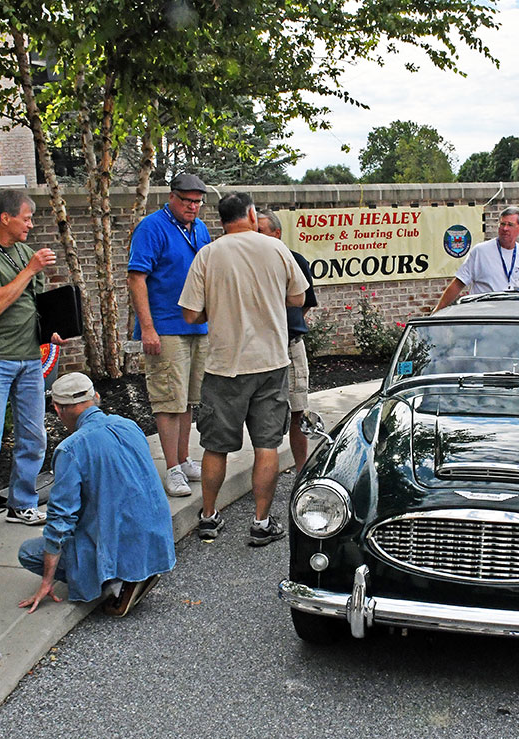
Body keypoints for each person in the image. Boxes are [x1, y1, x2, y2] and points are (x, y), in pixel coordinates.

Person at [179, 192, 308, 546]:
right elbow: (298, 298)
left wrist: (216, 309)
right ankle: (261, 523)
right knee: (267, 445)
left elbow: (190, 314)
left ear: (220, 220)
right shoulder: (277, 249)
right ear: (251, 214)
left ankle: (208, 518)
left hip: (223, 367)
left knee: (215, 446)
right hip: (271, 363)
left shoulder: (207, 254)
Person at [17, 373, 176, 617]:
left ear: (59, 410)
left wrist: (47, 581)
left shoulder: (71, 448)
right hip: (157, 534)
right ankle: (137, 566)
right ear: (97, 397)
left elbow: (60, 520)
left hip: (117, 538)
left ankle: (117, 583)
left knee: (29, 552)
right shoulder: (129, 425)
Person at [0, 189, 60, 548]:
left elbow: (34, 305)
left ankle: (22, 503)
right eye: (26, 217)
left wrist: (52, 331)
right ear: (5, 218)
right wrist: (30, 268)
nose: (31, 224)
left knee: (34, 437)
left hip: (30, 358)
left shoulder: (23, 252)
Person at [127, 173, 212, 498]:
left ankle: (184, 458)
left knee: (188, 399)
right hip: (165, 328)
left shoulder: (199, 229)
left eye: (198, 202)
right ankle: (172, 470)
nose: (193, 207)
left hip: (197, 326)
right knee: (168, 401)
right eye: (187, 201)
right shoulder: (152, 227)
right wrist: (147, 328)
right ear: (172, 198)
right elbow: (137, 278)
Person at [256, 208, 319, 473]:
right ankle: (265, 468)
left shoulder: (295, 261)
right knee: (264, 414)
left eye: (260, 231)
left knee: (298, 409)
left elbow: (305, 303)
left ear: (277, 233)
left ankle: (301, 468)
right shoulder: (249, 265)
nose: (255, 237)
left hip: (291, 347)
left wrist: (287, 324)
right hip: (259, 349)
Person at [433, 205, 519, 312]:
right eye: (502, 224)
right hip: (483, 318)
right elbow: (458, 284)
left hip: (513, 320)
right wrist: (437, 312)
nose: (505, 228)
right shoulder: (481, 251)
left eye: (510, 225)